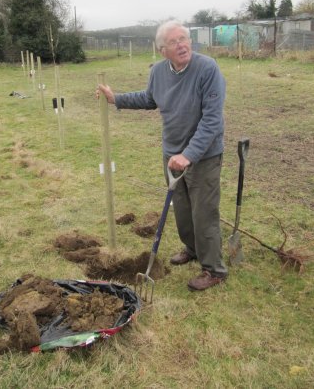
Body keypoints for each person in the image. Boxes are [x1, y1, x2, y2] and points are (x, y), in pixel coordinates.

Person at [97, 20, 228, 291]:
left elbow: (212, 121)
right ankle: (192, 249)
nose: (182, 44)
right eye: (174, 41)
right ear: (162, 50)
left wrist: (189, 155)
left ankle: (213, 269)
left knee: (204, 212)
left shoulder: (207, 69)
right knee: (182, 209)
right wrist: (116, 99)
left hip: (202, 156)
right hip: (172, 155)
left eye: (184, 38)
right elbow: (149, 98)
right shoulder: (158, 71)